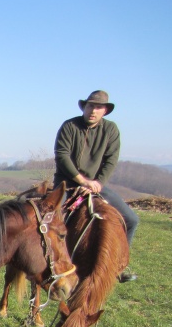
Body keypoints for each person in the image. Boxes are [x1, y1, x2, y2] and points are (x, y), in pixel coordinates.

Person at [54, 90, 139, 282]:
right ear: (84, 107)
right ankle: (49, 262)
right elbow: (62, 156)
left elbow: (111, 160)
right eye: (91, 106)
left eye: (99, 107)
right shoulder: (70, 126)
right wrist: (83, 181)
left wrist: (97, 183)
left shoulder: (111, 130)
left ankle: (119, 265)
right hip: (67, 184)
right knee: (52, 218)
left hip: (96, 185)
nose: (93, 110)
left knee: (132, 219)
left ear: (105, 111)